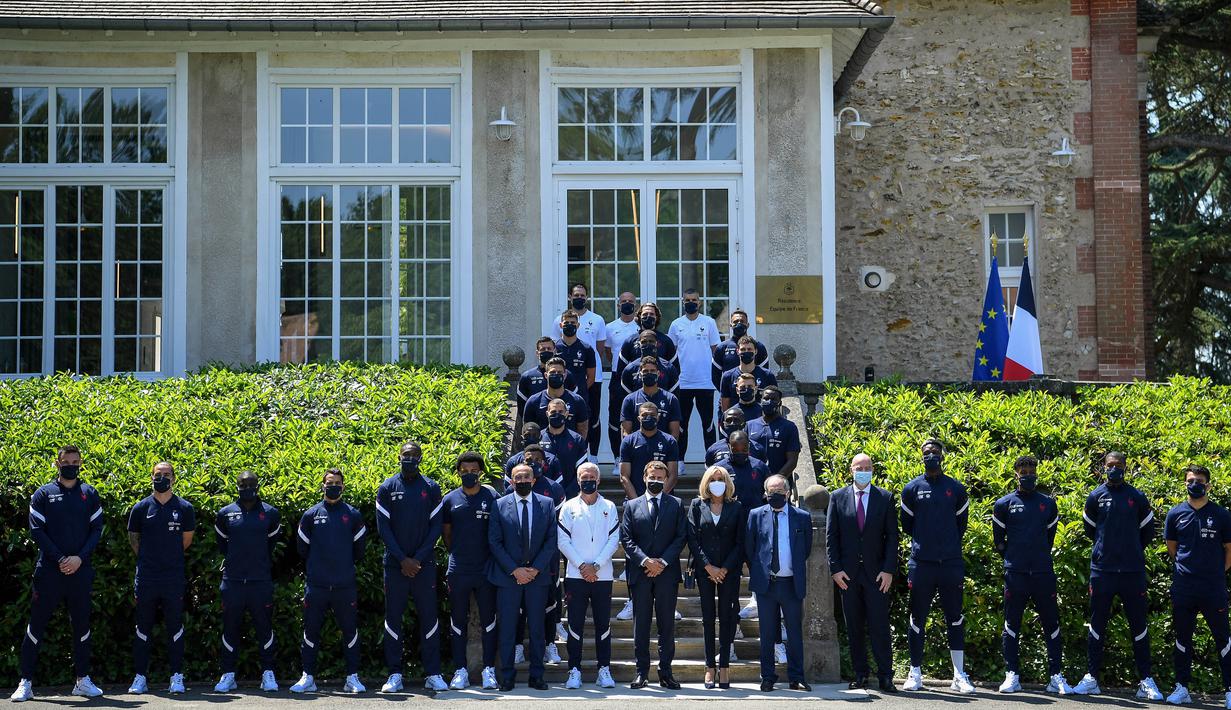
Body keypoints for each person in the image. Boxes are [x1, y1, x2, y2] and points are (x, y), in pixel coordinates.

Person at [11, 445, 105, 703]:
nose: (71, 465)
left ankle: (82, 681)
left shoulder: (90, 494)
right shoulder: (43, 494)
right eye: (66, 461)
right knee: (36, 626)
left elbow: (96, 530)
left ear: (81, 463)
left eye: (76, 461)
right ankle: (26, 683)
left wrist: (78, 559)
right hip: (50, 572)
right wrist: (62, 559)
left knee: (82, 626)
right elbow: (37, 531)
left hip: (80, 571)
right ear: (57, 463)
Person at [1073, 452, 1162, 699]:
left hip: (1132, 572)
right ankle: (1091, 678)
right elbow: (1091, 530)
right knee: (1096, 624)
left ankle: (1145, 680)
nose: (1114, 469)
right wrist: (1107, 552)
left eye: (1119, 465)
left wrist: (1129, 552)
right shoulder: (1095, 496)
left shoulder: (1137, 497)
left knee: (1139, 626)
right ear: (1103, 468)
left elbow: (1147, 534)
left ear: (1126, 467)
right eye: (1110, 465)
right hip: (1102, 572)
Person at [992, 456, 1073, 695]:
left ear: (1037, 472)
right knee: (1011, 624)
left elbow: (1049, 539)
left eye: (1031, 470)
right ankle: (1012, 675)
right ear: (1016, 474)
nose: (1028, 474)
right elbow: (999, 541)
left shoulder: (1047, 503)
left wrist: (1035, 557)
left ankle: (1056, 676)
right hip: (1015, 573)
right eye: (1023, 470)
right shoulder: (1003, 504)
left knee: (1052, 623)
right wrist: (1013, 559)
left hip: (1042, 572)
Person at [899, 440, 975, 694]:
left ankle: (959, 676)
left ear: (942, 455)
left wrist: (946, 545)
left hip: (951, 563)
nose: (931, 455)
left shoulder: (956, 488)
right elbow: (908, 526)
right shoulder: (911, 489)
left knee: (955, 618)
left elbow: (960, 525)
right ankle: (915, 672)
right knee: (917, 618)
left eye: (935, 452)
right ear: (921, 456)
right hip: (921, 564)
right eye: (926, 452)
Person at [291, 468, 368, 695]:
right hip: (317, 585)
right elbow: (302, 549)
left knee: (350, 631)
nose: (333, 486)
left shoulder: (353, 515)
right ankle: (308, 677)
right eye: (329, 482)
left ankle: (352, 677)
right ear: (322, 486)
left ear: (343, 487)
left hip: (345, 585)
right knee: (311, 630)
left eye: (337, 483)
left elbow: (359, 551)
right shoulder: (310, 515)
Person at [377, 443, 447, 693]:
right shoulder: (387, 487)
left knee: (429, 618)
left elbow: (436, 527)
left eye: (414, 456)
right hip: (395, 566)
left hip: (424, 565)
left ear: (420, 458)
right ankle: (394, 674)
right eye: (406, 455)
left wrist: (417, 559)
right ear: (399, 457)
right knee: (393, 619)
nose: (410, 459)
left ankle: (433, 673)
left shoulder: (431, 487)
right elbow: (383, 529)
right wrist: (402, 559)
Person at [827, 454, 898, 693]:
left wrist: (888, 570)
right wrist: (835, 570)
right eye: (860, 467)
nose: (864, 471)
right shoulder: (837, 498)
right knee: (854, 627)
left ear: (873, 470)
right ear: (851, 470)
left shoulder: (885, 498)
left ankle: (886, 675)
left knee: (879, 626)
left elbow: (892, 539)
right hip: (848, 576)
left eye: (867, 467)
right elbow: (831, 537)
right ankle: (860, 674)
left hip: (877, 575)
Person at [1163, 464, 1231, 707]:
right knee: (1182, 639)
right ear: (1185, 484)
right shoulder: (1175, 514)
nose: (1195, 484)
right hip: (1184, 587)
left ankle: (1230, 690)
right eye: (1191, 480)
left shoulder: (1222, 515)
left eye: (1200, 480)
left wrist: (1213, 573)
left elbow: (1229, 551)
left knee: (1223, 638)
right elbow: (1173, 547)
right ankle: (1182, 687)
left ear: (1208, 485)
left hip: (1213, 588)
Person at [126, 461, 196, 695]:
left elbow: (186, 541)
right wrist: (151, 559)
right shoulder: (141, 508)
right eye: (158, 474)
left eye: (166, 474)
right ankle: (140, 677)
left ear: (174, 479)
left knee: (175, 627)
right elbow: (134, 540)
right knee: (142, 627)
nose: (162, 478)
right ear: (152, 477)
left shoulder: (185, 508)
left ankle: (176, 676)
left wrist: (167, 559)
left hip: (173, 578)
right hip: (146, 577)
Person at [488, 464, 558, 691]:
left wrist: (535, 569)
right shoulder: (499, 505)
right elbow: (495, 542)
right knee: (507, 629)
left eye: (527, 476)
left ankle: (537, 676)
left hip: (538, 579)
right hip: (508, 578)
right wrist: (515, 570)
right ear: (511, 481)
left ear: (534, 479)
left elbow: (550, 541)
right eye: (518, 477)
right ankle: (507, 676)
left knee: (537, 629)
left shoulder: (547, 505)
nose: (523, 480)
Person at [620, 461, 688, 690]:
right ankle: (641, 672)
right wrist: (646, 561)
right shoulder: (632, 505)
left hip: (667, 574)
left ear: (667, 479)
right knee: (641, 625)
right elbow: (627, 539)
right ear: (644, 477)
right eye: (652, 477)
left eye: (661, 478)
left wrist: (662, 562)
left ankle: (665, 671)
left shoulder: (677, 504)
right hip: (640, 573)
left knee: (667, 625)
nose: (656, 481)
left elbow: (681, 537)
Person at [213, 471, 282, 693]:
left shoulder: (271, 513)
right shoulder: (225, 514)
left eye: (252, 483)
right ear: (237, 485)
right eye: (243, 484)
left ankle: (268, 673)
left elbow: (271, 545)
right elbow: (223, 545)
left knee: (264, 628)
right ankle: (228, 674)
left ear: (258, 485)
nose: (248, 487)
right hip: (232, 581)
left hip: (260, 581)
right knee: (230, 628)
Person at [746, 475, 813, 692]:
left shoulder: (802, 517)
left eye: (779, 491)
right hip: (767, 585)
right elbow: (750, 547)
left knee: (794, 633)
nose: (775, 495)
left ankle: (796, 676)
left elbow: (807, 549)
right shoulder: (756, 515)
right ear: (765, 493)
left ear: (787, 492)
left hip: (791, 584)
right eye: (771, 492)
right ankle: (767, 676)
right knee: (767, 633)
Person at [556, 462, 620, 690]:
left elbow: (614, 540)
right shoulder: (568, 507)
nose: (588, 480)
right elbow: (563, 541)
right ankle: (574, 670)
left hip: (603, 577)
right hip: (575, 575)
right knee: (574, 624)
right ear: (578, 479)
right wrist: (583, 566)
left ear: (599, 480)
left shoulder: (610, 507)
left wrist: (597, 565)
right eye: (584, 477)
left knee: (604, 624)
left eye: (592, 476)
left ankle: (604, 669)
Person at [441, 452, 501, 691]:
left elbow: (498, 532)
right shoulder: (449, 500)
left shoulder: (492, 497)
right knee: (457, 621)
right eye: (464, 470)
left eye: (474, 470)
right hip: (458, 569)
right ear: (458, 472)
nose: (469, 474)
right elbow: (446, 534)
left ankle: (489, 670)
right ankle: (460, 671)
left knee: (489, 620)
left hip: (486, 570)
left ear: (481, 472)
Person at [503, 447, 566, 667]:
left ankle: (550, 644)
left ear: (545, 462)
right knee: (519, 606)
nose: (534, 463)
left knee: (549, 603)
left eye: (538, 460)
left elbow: (554, 528)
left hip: (546, 561)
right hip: (518, 562)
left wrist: (538, 565)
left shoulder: (554, 489)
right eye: (530, 460)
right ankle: (518, 646)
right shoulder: (511, 492)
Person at [687, 466, 745, 690]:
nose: (717, 482)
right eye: (713, 479)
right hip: (705, 572)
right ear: (706, 482)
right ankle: (709, 667)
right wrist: (709, 567)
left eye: (721, 479)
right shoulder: (696, 505)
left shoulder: (736, 507)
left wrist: (725, 568)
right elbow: (692, 539)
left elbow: (741, 542)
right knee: (708, 618)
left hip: (728, 573)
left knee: (727, 618)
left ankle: (724, 667)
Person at [552, 285, 608, 456]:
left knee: (592, 419)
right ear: (570, 297)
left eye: (582, 295)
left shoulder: (597, 319)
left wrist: (583, 385)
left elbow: (599, 350)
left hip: (592, 381)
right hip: (561, 386)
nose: (579, 298)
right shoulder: (557, 320)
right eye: (576, 295)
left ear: (587, 298)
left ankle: (593, 455)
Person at [668, 288, 721, 455]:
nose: (691, 303)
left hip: (705, 382)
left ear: (699, 302)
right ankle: (680, 460)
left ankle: (710, 459)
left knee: (708, 424)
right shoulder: (676, 324)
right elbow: (671, 352)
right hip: (683, 382)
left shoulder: (709, 322)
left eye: (694, 300)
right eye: (687, 300)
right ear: (683, 302)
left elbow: (716, 350)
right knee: (682, 425)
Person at [605, 292, 643, 457]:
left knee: (638, 417)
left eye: (631, 301)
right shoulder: (610, 327)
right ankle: (617, 457)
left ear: (636, 305)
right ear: (618, 305)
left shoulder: (640, 328)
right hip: (617, 377)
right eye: (623, 301)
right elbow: (608, 352)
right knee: (615, 418)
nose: (627, 304)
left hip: (639, 378)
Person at [619, 401, 681, 499]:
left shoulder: (669, 441)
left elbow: (673, 476)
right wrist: (638, 503)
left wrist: (658, 499)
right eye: (644, 415)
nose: (648, 417)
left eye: (652, 415)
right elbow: (624, 477)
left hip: (663, 500)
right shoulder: (628, 441)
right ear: (639, 418)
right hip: (635, 499)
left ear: (658, 417)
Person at [747, 387, 800, 490]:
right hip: (753, 483)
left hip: (778, 486)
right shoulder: (749, 425)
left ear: (779, 403)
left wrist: (776, 481)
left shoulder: (789, 427)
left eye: (773, 399)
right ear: (760, 401)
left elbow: (792, 460)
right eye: (766, 399)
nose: (769, 402)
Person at [523, 357, 590, 439]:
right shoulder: (533, 401)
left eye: (559, 372)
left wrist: (576, 449)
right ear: (546, 375)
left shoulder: (577, 401)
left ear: (565, 375)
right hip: (542, 449)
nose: (556, 374)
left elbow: (583, 429)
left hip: (569, 448)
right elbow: (528, 429)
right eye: (552, 372)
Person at [620, 356, 682, 440]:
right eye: (645, 371)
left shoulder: (671, 399)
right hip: (637, 450)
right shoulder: (630, 400)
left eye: (652, 371)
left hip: (662, 450)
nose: (649, 373)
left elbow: (674, 434)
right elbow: (625, 433)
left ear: (658, 373)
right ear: (640, 374)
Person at [540, 398, 589, 497]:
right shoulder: (538, 438)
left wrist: (570, 492)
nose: (557, 414)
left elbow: (582, 470)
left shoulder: (577, 440)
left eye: (560, 412)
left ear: (566, 414)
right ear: (547, 414)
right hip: (543, 494)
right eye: (553, 411)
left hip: (570, 495)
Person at [711, 309, 769, 390]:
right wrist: (724, 394)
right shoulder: (722, 348)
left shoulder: (758, 347)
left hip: (753, 397)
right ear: (731, 325)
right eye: (735, 321)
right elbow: (715, 377)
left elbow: (765, 375)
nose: (739, 323)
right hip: (730, 397)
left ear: (747, 325)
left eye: (742, 321)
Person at [716, 430, 771, 515]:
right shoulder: (719, 468)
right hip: (729, 517)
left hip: (755, 516)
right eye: (736, 450)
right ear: (729, 446)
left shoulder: (760, 466)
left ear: (749, 446)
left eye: (744, 450)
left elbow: (769, 491)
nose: (740, 453)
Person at [517, 337, 578, 413]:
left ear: (555, 351)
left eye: (549, 349)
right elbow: (522, 408)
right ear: (537, 353)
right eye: (543, 349)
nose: (546, 351)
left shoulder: (567, 375)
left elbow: (575, 402)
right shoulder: (527, 377)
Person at [615, 303, 678, 374]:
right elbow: (621, 370)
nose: (648, 316)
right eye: (645, 314)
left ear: (656, 317)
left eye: (651, 314)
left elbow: (675, 369)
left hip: (660, 383)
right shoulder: (630, 341)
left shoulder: (666, 341)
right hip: (636, 383)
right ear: (639, 316)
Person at [718, 337, 776, 412]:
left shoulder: (767, 375)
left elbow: (775, 401)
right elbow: (725, 407)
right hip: (737, 419)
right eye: (743, 349)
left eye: (749, 349)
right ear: (737, 351)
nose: (746, 352)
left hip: (761, 419)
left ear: (755, 351)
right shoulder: (728, 376)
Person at [618, 329, 679, 396]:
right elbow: (625, 399)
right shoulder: (630, 369)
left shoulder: (669, 368)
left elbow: (674, 398)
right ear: (639, 344)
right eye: (644, 342)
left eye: (651, 341)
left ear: (657, 343)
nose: (648, 344)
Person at [555, 309, 598, 398]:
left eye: (573, 323)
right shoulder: (554, 348)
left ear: (578, 325)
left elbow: (591, 377)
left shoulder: (587, 349)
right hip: (557, 397)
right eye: (566, 323)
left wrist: (581, 390)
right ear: (561, 325)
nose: (569, 325)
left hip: (580, 397)